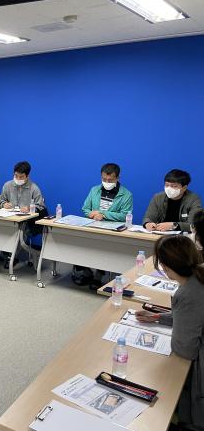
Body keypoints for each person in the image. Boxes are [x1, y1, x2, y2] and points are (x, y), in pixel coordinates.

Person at [136, 235, 204, 430]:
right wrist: (158, 317)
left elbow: (185, 349)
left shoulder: (187, 293)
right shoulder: (199, 276)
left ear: (166, 266)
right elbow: (192, 316)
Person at [76, 163, 133, 287]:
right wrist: (91, 214)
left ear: (118, 178)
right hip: (93, 225)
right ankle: (86, 272)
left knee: (104, 248)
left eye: (110, 180)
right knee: (78, 243)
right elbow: (85, 209)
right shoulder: (94, 190)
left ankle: (99, 276)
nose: (106, 182)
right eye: (104, 179)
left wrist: (103, 214)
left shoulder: (126, 194)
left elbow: (125, 215)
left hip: (112, 229)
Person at [0, 161, 46, 268]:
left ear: (27, 176)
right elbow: (2, 201)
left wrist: (30, 208)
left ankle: (12, 256)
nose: (18, 179)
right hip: (9, 218)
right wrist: (4, 204)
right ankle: (5, 250)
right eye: (16, 176)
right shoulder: (7, 185)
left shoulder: (34, 188)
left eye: (21, 177)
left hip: (27, 221)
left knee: (20, 231)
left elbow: (41, 206)